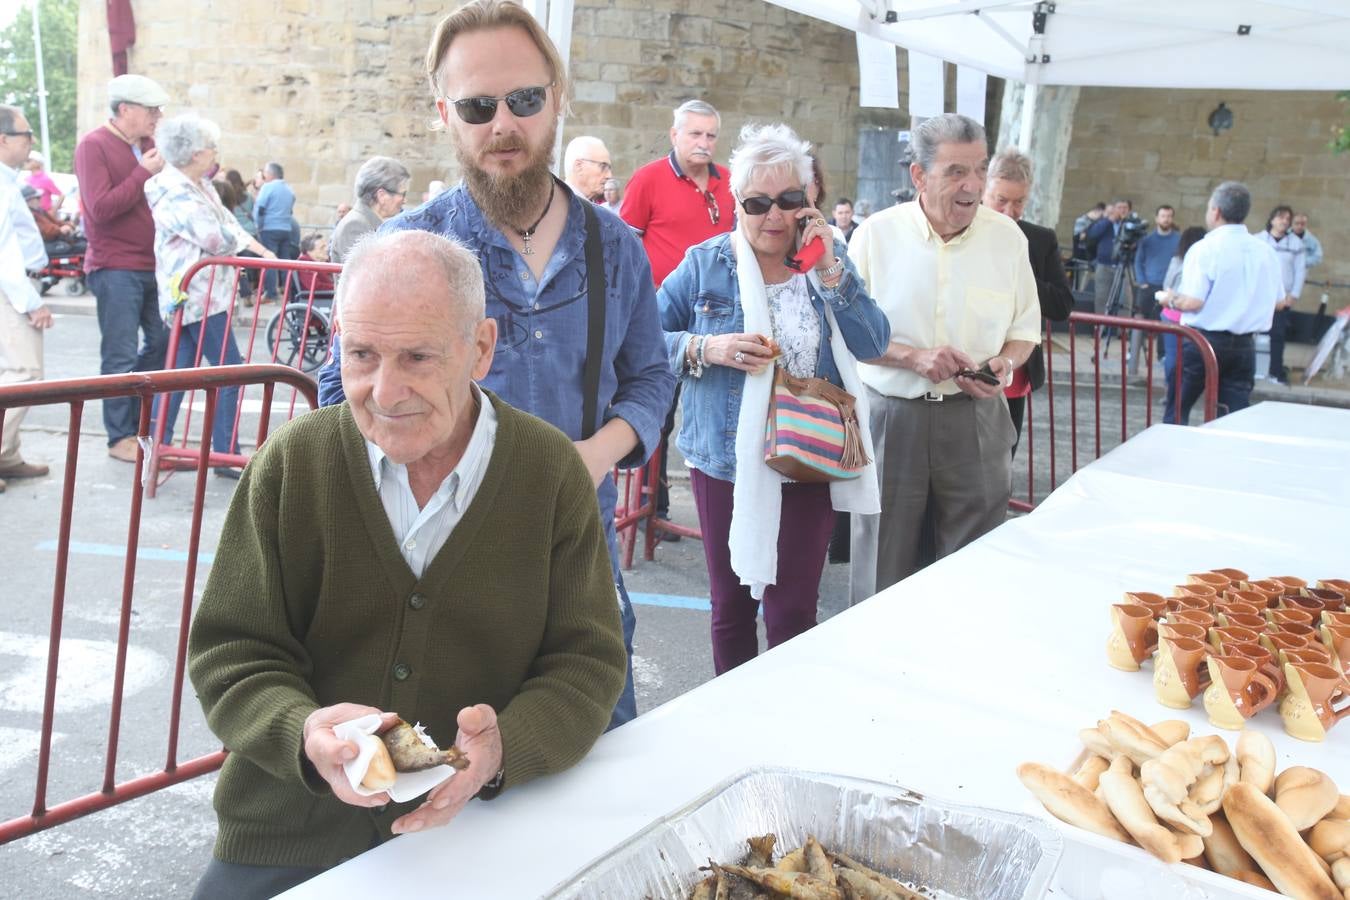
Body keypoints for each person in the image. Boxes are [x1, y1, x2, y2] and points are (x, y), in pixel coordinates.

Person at [185, 229, 625, 899]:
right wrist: (304, 732)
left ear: (481, 349)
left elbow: (587, 663)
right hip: (290, 829)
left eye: (417, 357)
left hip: (474, 832)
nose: (384, 392)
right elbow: (234, 650)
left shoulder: (548, 473)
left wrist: (501, 748)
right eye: (361, 354)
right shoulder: (294, 463)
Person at [315, 0, 674, 731]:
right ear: (445, 114)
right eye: (478, 106)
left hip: (579, 564)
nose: (503, 125)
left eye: (525, 100)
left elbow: (651, 377)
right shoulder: (403, 248)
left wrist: (596, 456)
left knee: (593, 778)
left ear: (558, 97)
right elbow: (337, 391)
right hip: (437, 575)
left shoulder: (614, 247)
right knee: (442, 800)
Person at [658, 123, 889, 674]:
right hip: (724, 460)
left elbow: (874, 342)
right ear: (735, 203)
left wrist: (832, 268)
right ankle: (732, 723)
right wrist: (705, 346)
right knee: (732, 606)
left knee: (792, 612)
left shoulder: (826, 262)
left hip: (808, 457)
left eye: (789, 200)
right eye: (757, 202)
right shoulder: (705, 263)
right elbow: (642, 337)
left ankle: (784, 719)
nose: (775, 216)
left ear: (809, 200)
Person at [847, 113, 1040, 602]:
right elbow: (847, 333)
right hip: (893, 420)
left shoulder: (1008, 239)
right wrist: (912, 358)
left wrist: (1004, 364)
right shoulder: (875, 234)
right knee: (880, 569)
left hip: (977, 420)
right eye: (956, 171)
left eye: (978, 170)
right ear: (918, 175)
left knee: (971, 576)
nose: (972, 185)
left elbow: (1024, 332)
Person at [621, 99, 736, 535]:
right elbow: (628, 247)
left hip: (719, 317)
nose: (704, 143)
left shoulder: (729, 183)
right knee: (659, 412)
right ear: (675, 135)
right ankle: (656, 511)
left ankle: (718, 507)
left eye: (710, 135)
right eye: (695, 134)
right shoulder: (649, 179)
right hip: (661, 316)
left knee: (716, 408)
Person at [144, 114, 274, 476]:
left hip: (208, 292)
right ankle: (224, 452)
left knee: (180, 372)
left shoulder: (200, 184)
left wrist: (260, 251)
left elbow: (227, 226)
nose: (216, 153)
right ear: (196, 153)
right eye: (211, 147)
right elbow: (214, 236)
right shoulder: (170, 188)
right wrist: (240, 243)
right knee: (230, 370)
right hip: (196, 294)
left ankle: (160, 447)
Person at [74, 73, 171, 463]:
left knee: (163, 343)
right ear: (125, 109)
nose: (157, 116)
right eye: (151, 110)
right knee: (120, 354)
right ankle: (119, 437)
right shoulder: (93, 146)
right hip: (115, 266)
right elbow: (100, 208)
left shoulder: (149, 146)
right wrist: (142, 173)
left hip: (152, 266)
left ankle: (136, 423)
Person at [1159, 181, 1282, 424]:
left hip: (1203, 340)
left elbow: (1193, 301)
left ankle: (1170, 458)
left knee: (1177, 412)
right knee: (1232, 418)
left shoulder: (1205, 248)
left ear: (1215, 211)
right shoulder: (1265, 251)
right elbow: (1277, 302)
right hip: (1245, 345)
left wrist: (1169, 299)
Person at [979, 148, 1074, 451]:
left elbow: (1061, 305)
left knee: (1005, 456)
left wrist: (1023, 272)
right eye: (1001, 200)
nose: (1010, 211)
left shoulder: (1040, 239)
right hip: (967, 365)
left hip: (1014, 372)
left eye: (1019, 202)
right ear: (984, 191)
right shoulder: (962, 232)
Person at [0, 105, 54, 492]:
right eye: (26, 134)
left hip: (16, 285)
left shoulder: (8, 182)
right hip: (11, 289)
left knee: (18, 373)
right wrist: (31, 301)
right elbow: (3, 254)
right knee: (24, 374)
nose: (31, 141)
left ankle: (8, 455)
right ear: (3, 140)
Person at [1156, 225, 1207, 425]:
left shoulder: (1193, 262)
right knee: (1176, 360)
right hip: (1178, 314)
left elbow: (1168, 284)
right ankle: (1174, 391)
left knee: (1180, 360)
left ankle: (1175, 395)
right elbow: (1168, 284)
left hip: (1183, 315)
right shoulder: (1184, 261)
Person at [1256, 204, 1305, 385]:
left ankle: (1275, 372)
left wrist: (1293, 295)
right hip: (1259, 296)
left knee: (1277, 336)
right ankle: (1253, 370)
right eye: (1280, 217)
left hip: (1281, 298)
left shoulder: (1295, 244)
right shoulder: (1259, 240)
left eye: (1287, 219)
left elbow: (1300, 271)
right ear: (1272, 219)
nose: (1284, 221)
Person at [330, 156, 410, 264]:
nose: (405, 200)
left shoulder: (367, 222)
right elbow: (364, 276)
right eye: (402, 194)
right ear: (381, 195)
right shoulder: (355, 225)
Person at [253, 161, 295, 300]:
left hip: (269, 228)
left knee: (269, 260)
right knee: (285, 261)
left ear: (270, 174)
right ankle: (288, 291)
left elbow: (260, 208)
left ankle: (270, 293)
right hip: (285, 228)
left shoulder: (268, 187)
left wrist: (258, 226)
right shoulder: (289, 190)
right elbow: (290, 210)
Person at [1084, 198, 1130, 315]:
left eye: (1125, 208)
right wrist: (1109, 220)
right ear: (1114, 209)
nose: (1122, 211)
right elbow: (1093, 234)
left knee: (1125, 300)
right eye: (1119, 208)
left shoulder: (1131, 224)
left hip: (1123, 266)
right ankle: (1100, 328)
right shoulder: (1105, 222)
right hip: (1104, 265)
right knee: (1101, 298)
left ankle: (1123, 331)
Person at [24, 185, 86, 257]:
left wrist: (69, 224)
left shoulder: (40, 211)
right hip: (45, 243)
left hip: (53, 240)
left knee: (82, 242)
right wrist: (60, 230)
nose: (40, 199)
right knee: (73, 247)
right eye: (37, 198)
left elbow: (56, 222)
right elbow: (45, 231)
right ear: (28, 200)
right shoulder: (28, 216)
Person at [562, 135, 612, 203]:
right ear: (579, 166)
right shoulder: (554, 206)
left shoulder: (603, 211)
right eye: (603, 166)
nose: (609, 176)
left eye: (609, 168)